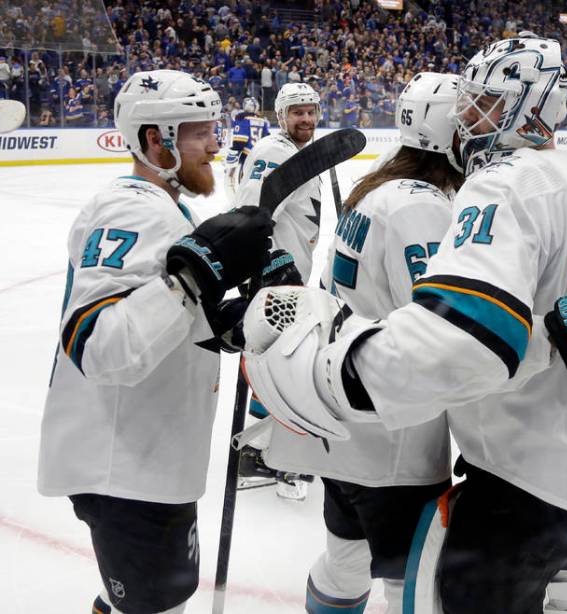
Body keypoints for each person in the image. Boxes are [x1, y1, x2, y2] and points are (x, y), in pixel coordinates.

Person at [242, 34, 567, 613]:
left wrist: (332, 374)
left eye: (483, 104)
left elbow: (465, 344)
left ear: (534, 106)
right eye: (466, 104)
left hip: (519, 465)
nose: (467, 118)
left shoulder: (495, 183)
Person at [37, 69, 274, 614]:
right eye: (201, 133)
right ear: (154, 139)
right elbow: (98, 343)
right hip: (125, 466)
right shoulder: (132, 209)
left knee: (138, 599)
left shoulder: (166, 207)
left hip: (146, 457)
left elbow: (164, 318)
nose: (217, 144)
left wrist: (225, 321)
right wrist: (194, 278)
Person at [262, 71, 463, 614]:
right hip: (392, 436)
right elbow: (436, 328)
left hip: (342, 421)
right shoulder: (422, 207)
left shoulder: (378, 184)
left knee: (347, 559)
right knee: (411, 584)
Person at [234, 81, 324, 499]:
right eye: (297, 112)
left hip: (291, 278)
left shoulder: (299, 154)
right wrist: (265, 267)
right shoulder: (274, 152)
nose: (305, 119)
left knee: (276, 367)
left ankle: (256, 454)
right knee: (285, 370)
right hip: (275, 282)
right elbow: (253, 213)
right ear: (280, 115)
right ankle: (278, 458)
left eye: (310, 111)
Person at [224, 95, 270, 200]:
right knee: (258, 183)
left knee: (243, 183)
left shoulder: (242, 120)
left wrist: (232, 155)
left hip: (247, 156)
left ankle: (243, 204)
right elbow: (267, 139)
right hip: (260, 156)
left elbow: (239, 142)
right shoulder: (263, 121)